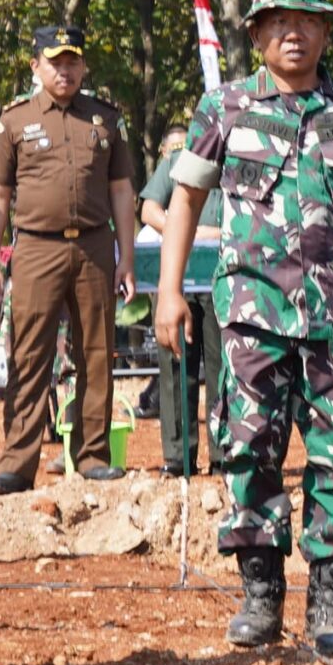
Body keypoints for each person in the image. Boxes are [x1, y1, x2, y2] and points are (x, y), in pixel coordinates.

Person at [155, 0, 333, 656]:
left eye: (306, 21)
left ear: (327, 31)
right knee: (248, 449)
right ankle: (260, 591)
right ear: (257, 33)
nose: (292, 32)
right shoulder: (226, 107)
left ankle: (329, 600)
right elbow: (184, 198)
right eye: (277, 21)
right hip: (250, 313)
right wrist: (169, 289)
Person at [0, 24, 137, 493]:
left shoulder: (105, 119)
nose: (64, 71)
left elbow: (122, 190)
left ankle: (91, 455)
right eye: (55, 62)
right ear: (36, 66)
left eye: (72, 62)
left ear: (83, 66)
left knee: (96, 352)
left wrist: (125, 256)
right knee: (29, 355)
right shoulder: (14, 120)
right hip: (35, 248)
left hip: (93, 246)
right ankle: (17, 462)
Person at [139, 124, 222, 476]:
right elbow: (149, 210)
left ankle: (224, 455)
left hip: (221, 277)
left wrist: (212, 232)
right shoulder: (176, 160)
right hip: (178, 277)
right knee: (175, 366)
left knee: (223, 369)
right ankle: (178, 456)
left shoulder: (232, 160)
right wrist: (182, 226)